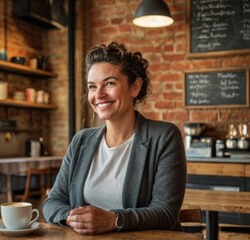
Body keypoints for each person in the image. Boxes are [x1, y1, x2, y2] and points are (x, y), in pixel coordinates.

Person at [42, 42, 187, 235]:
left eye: (109, 83)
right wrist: (71, 217)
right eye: (92, 87)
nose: (99, 95)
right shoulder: (81, 141)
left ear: (135, 87)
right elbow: (52, 202)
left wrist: (114, 220)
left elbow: (166, 212)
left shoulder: (164, 136)